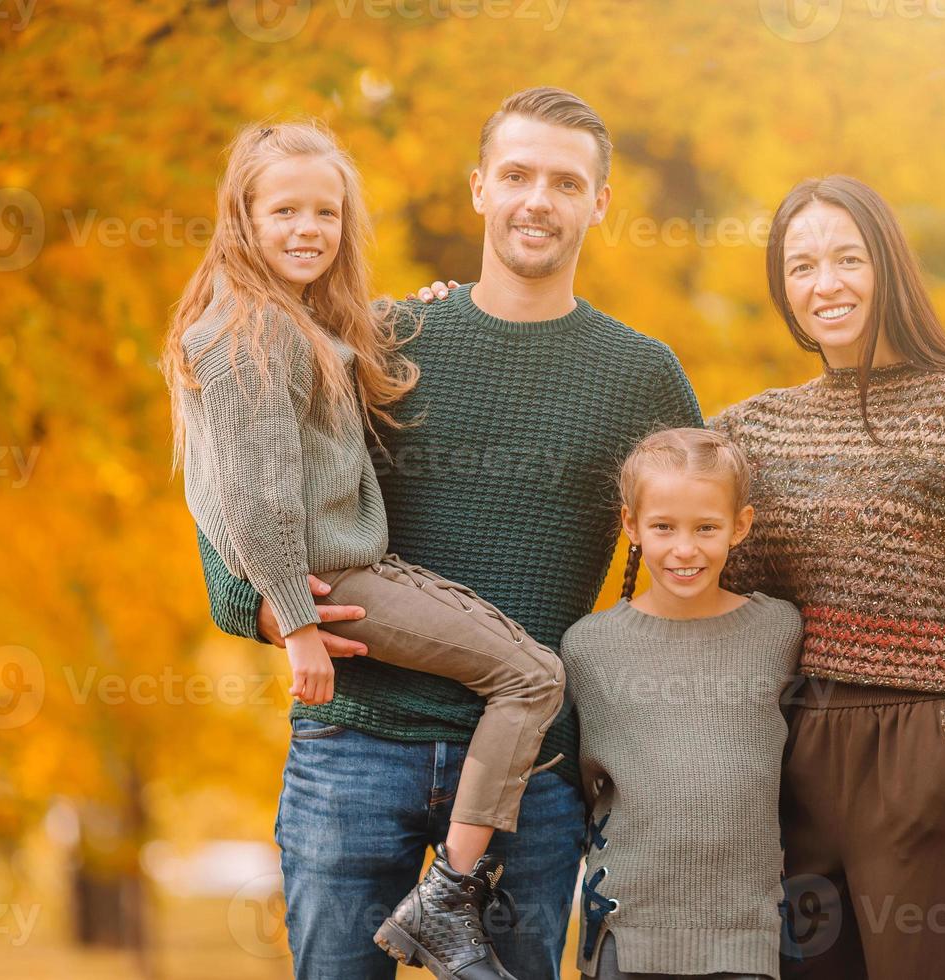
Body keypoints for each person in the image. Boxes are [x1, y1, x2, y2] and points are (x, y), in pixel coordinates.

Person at [193, 88, 703, 980]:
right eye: (516, 175)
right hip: (352, 748)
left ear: (600, 202)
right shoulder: (379, 335)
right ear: (479, 189)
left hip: (530, 779)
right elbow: (239, 476)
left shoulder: (642, 374)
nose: (537, 199)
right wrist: (264, 612)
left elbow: (696, 549)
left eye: (564, 181)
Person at [162, 118, 577, 979]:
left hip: (364, 569)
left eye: (326, 212)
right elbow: (252, 498)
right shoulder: (247, 333)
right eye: (284, 211)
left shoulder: (300, 324)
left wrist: (423, 315)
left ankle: (447, 896)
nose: (308, 229)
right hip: (341, 587)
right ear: (241, 218)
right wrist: (297, 621)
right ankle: (449, 901)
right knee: (532, 677)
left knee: (527, 670)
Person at [708, 176, 945, 980]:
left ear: (889, 266)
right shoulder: (749, 428)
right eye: (800, 267)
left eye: (847, 257)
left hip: (926, 749)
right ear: (783, 290)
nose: (825, 283)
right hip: (794, 756)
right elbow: (685, 553)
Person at [560, 428, 802, 980]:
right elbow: (583, 788)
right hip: (627, 928)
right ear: (631, 525)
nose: (684, 548)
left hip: (746, 932)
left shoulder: (778, 631)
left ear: (740, 527)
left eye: (706, 528)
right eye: (663, 527)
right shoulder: (589, 647)